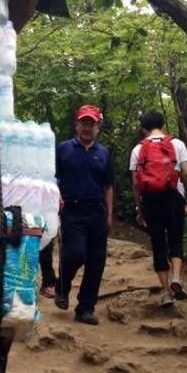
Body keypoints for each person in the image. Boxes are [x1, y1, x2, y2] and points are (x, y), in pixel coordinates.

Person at [129, 110, 187, 306]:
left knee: (158, 243)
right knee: (175, 238)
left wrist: (140, 209)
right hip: (174, 196)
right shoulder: (177, 144)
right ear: (163, 125)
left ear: (143, 129)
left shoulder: (137, 149)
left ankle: (166, 292)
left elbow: (135, 184)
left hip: (150, 199)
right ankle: (176, 276)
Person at [55, 105, 114, 325]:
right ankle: (63, 285)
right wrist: (56, 197)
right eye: (84, 122)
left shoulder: (104, 153)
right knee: (76, 253)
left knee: (96, 262)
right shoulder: (63, 149)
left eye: (92, 123)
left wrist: (109, 215)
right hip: (72, 210)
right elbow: (52, 178)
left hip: (97, 211)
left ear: (98, 126)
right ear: (77, 124)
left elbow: (108, 186)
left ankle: (85, 309)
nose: (87, 127)